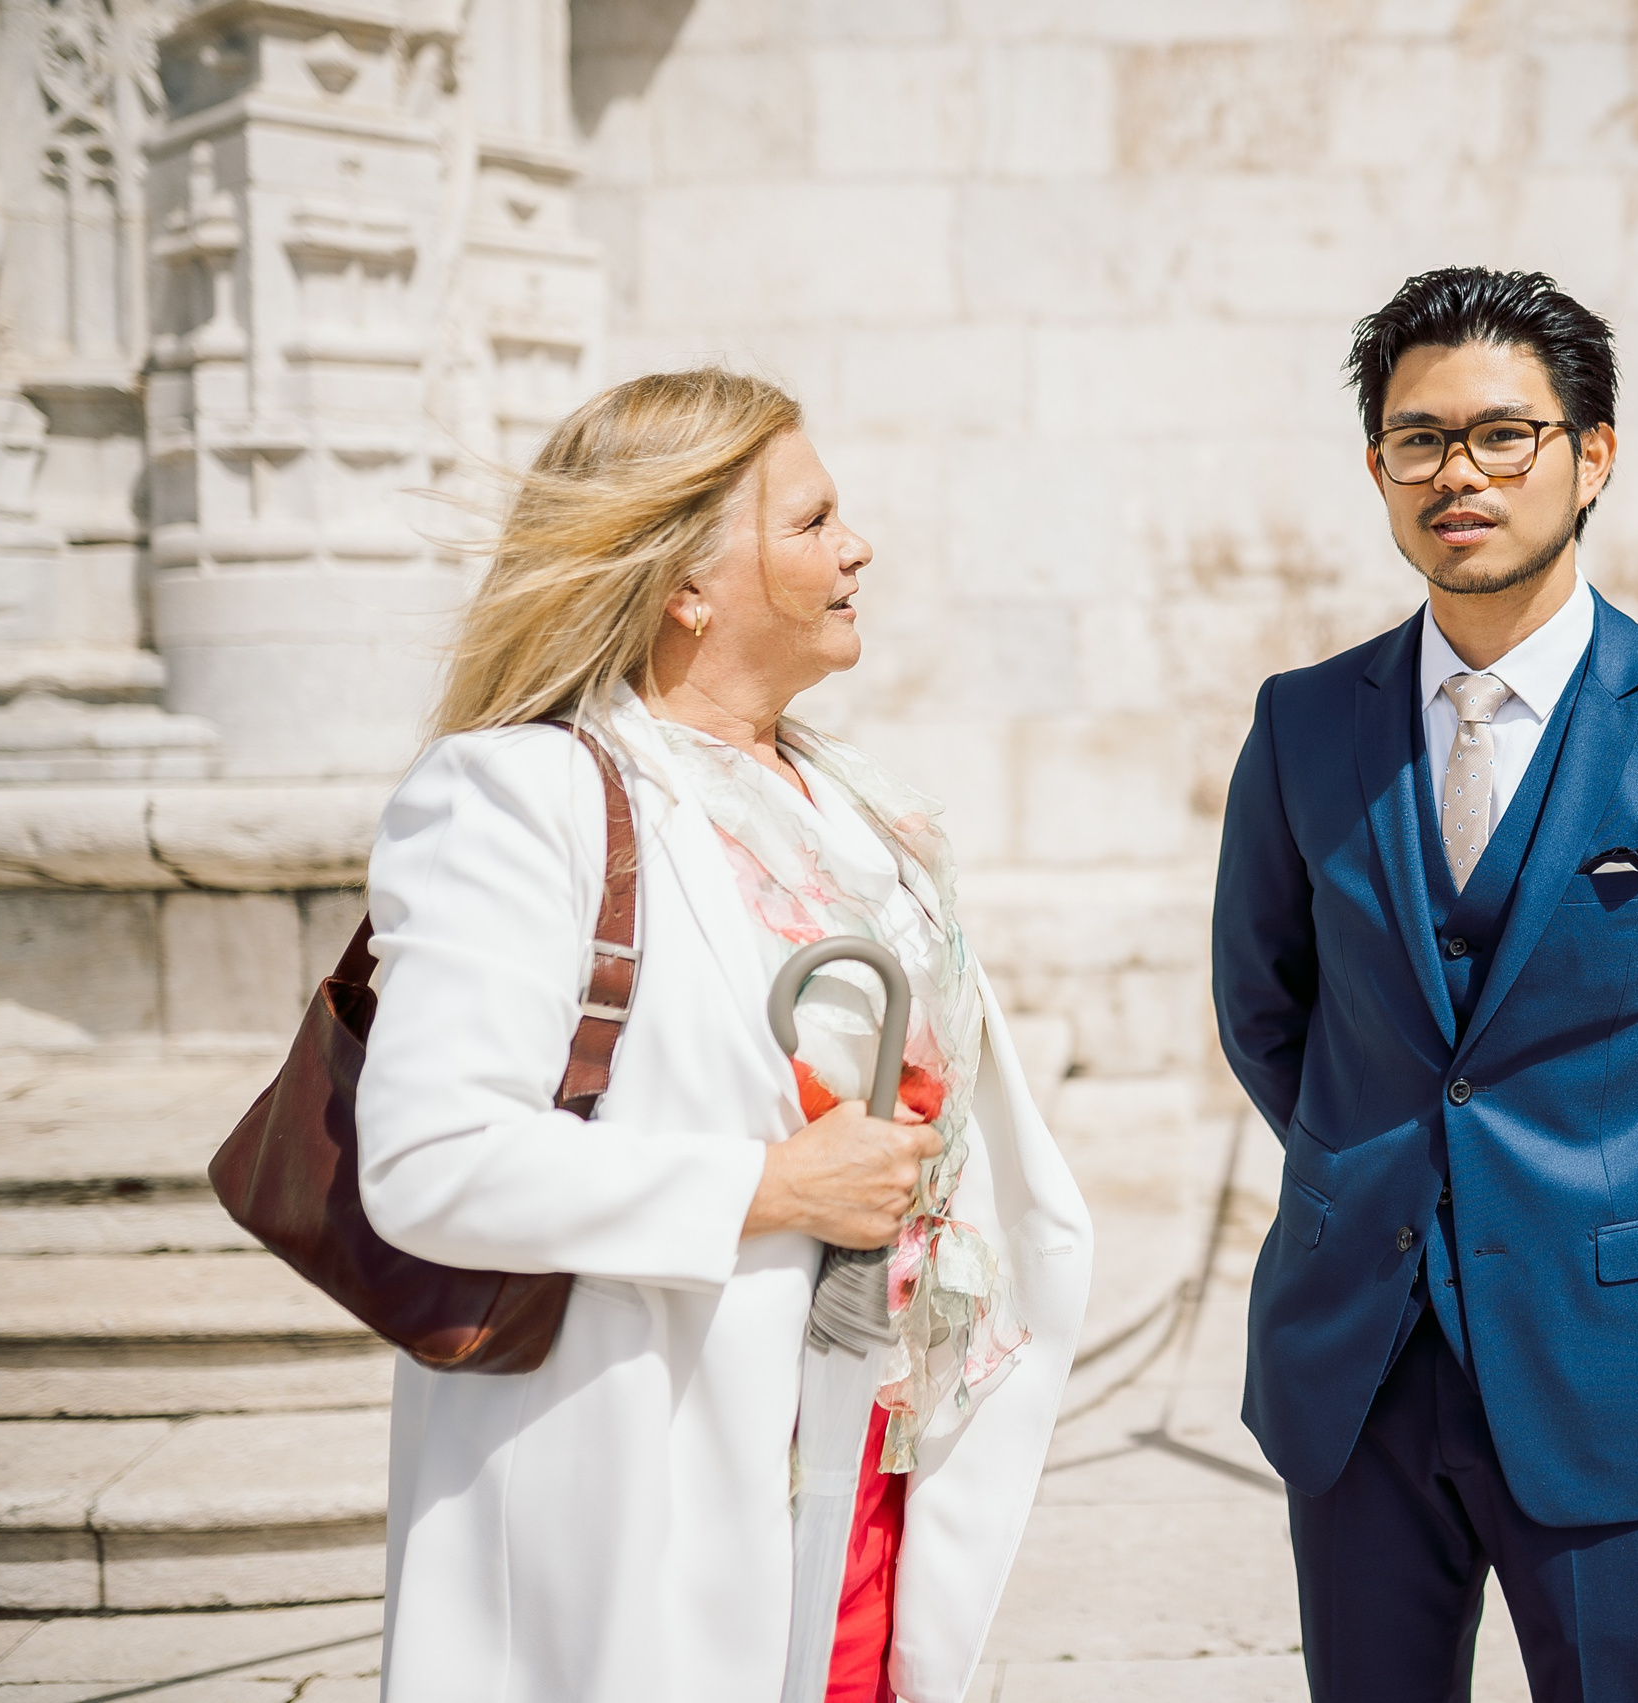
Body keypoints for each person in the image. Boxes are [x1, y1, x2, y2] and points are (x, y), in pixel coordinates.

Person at [355, 368, 1090, 1702]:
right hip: (648, 1463)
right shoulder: (519, 797)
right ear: (688, 586)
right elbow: (427, 1161)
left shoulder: (846, 803)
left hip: (856, 1446)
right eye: (812, 524)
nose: (857, 546)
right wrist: (769, 1188)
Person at [1212, 268, 1638, 1703]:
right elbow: (1265, 1011)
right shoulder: (1302, 722)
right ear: (1377, 467)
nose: (1460, 472)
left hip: (1616, 1357)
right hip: (1361, 1365)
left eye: (1505, 434)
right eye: (1419, 436)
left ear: (1594, 455)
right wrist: (1388, 1180)